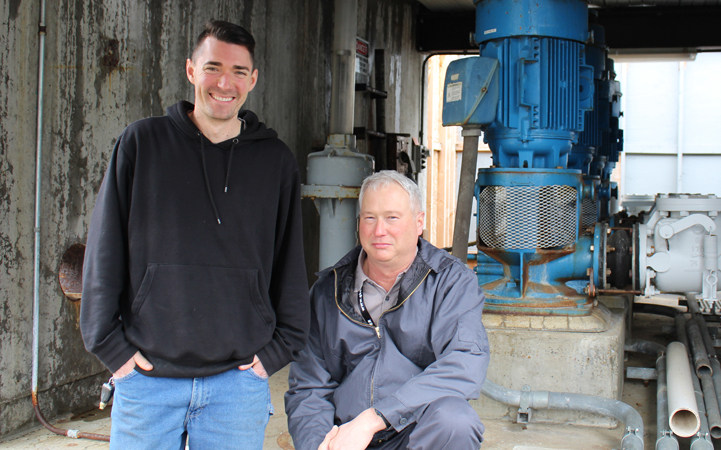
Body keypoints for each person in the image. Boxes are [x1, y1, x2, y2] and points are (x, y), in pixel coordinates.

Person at [80, 20, 309, 449]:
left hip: (236, 385)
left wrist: (280, 351)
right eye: (213, 67)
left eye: (239, 71)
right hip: (148, 381)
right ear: (190, 70)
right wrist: (111, 351)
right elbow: (104, 250)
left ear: (253, 80)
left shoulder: (275, 162)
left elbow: (289, 262)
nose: (225, 83)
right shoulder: (142, 144)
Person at [285, 170, 490, 450]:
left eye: (392, 217)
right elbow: (308, 388)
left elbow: (464, 361)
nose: (379, 230)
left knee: (455, 421)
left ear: (419, 223)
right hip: (349, 438)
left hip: (416, 431)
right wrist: (319, 445)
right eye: (370, 218)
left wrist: (376, 418)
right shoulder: (326, 292)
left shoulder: (450, 281)